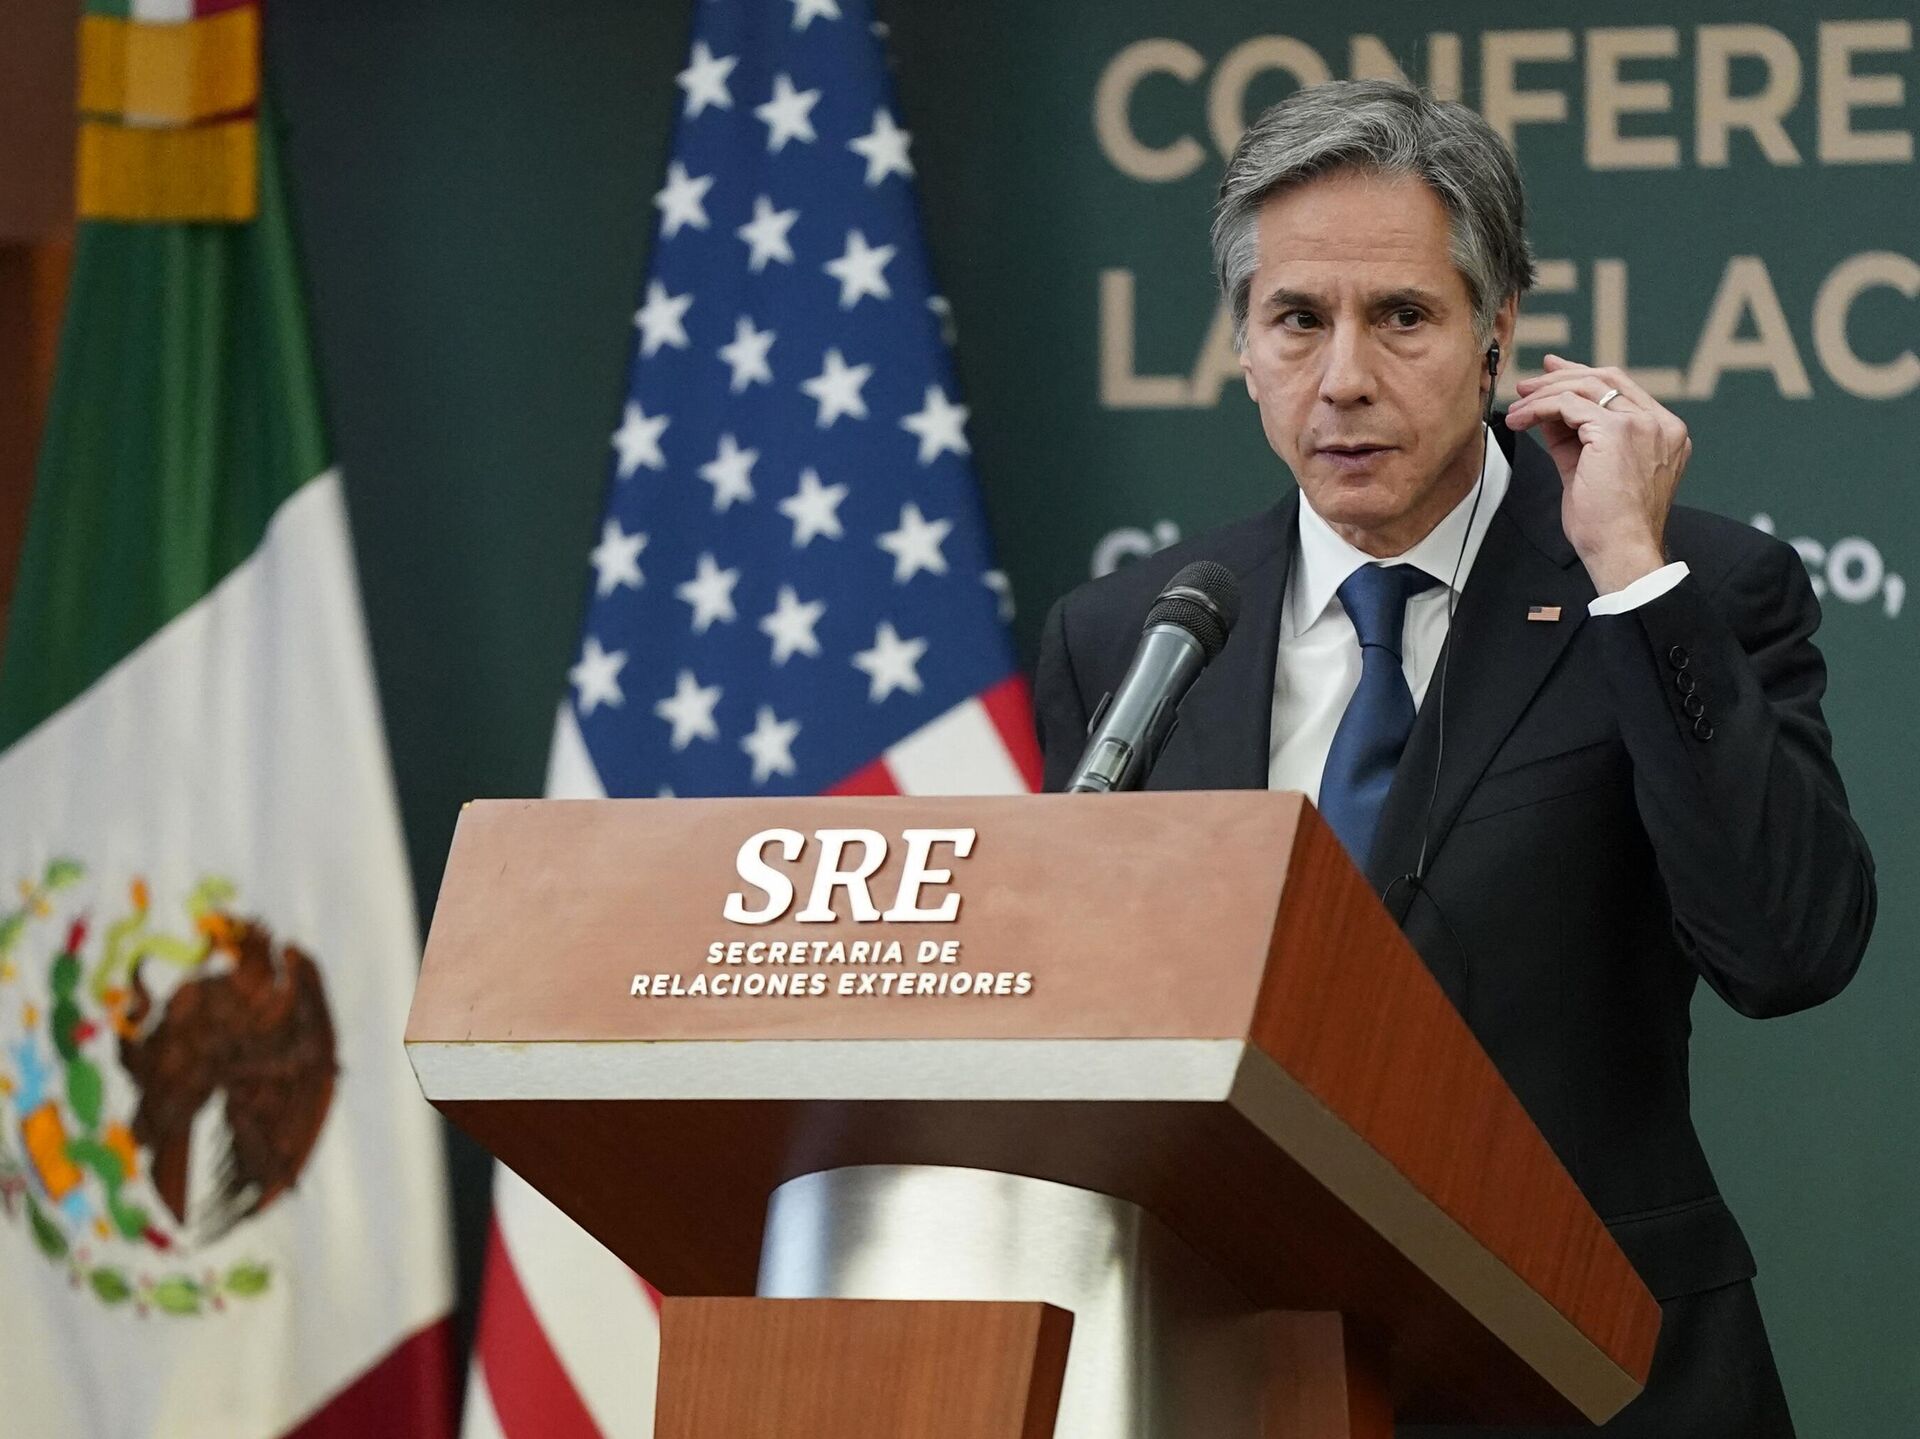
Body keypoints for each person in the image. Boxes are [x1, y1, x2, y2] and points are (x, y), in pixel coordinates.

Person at [1033, 79, 1875, 1438]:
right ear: (1243, 346)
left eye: (1403, 317)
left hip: (1595, 1373)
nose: (1344, 377)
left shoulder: (1681, 586)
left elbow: (1788, 949)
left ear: (1498, 330)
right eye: (1297, 320)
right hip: (1232, 1373)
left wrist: (1628, 569)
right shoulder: (1134, 633)